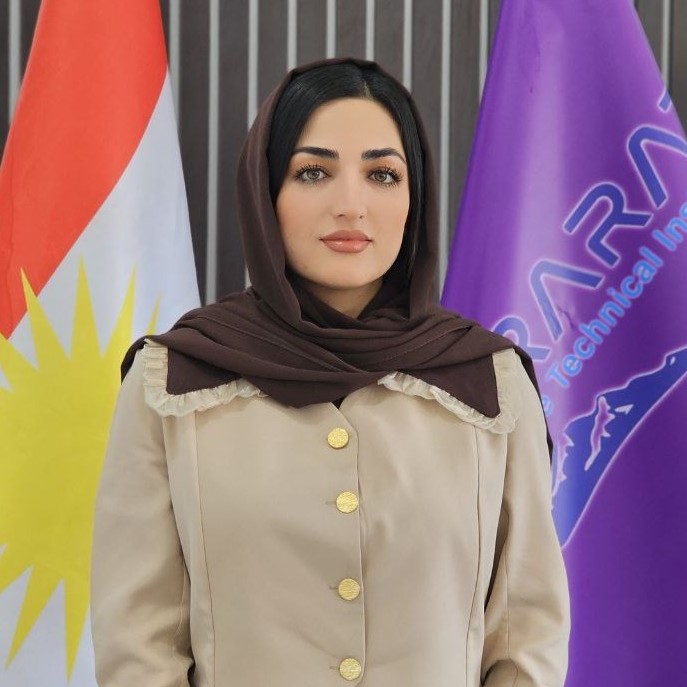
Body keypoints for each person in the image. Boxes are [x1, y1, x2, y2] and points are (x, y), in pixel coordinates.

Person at [90, 57, 570, 687]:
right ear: (265, 191)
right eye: (313, 172)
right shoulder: (172, 380)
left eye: (382, 174)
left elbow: (526, 639)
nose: (351, 205)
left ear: (415, 198)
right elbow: (138, 648)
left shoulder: (489, 383)